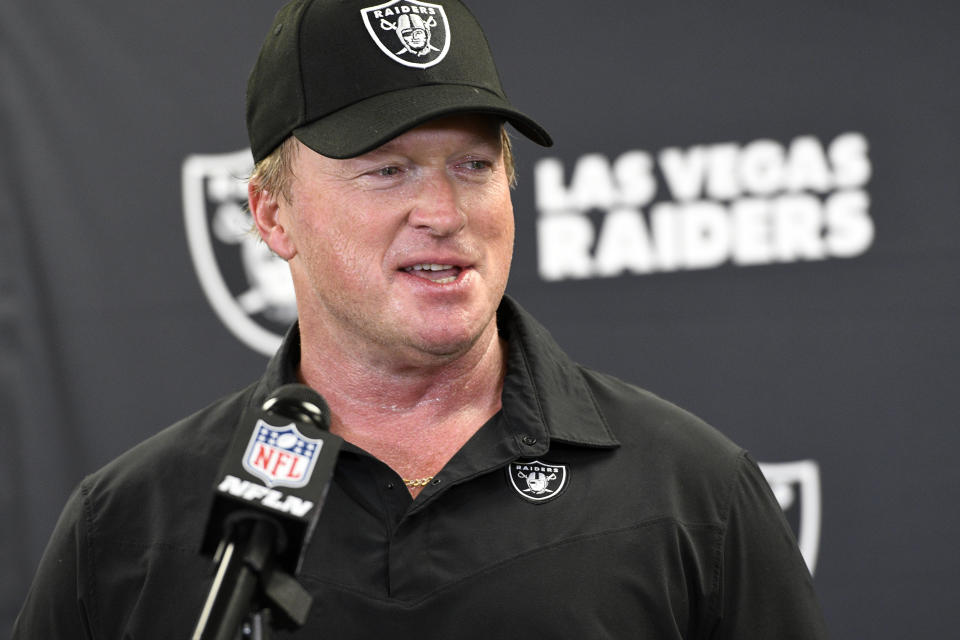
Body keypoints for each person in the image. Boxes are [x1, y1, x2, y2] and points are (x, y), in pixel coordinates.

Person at [13, 0, 828, 638]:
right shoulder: (128, 528)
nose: (442, 210)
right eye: (388, 170)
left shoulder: (691, 490)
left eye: (473, 165)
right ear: (271, 214)